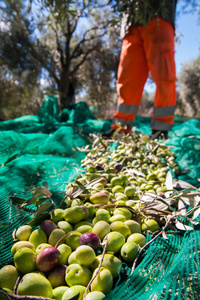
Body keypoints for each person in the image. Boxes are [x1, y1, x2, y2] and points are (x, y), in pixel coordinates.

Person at [104, 0, 178, 139]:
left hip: (159, 16)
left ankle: (161, 129)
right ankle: (120, 128)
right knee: (126, 78)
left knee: (164, 74)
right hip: (131, 23)